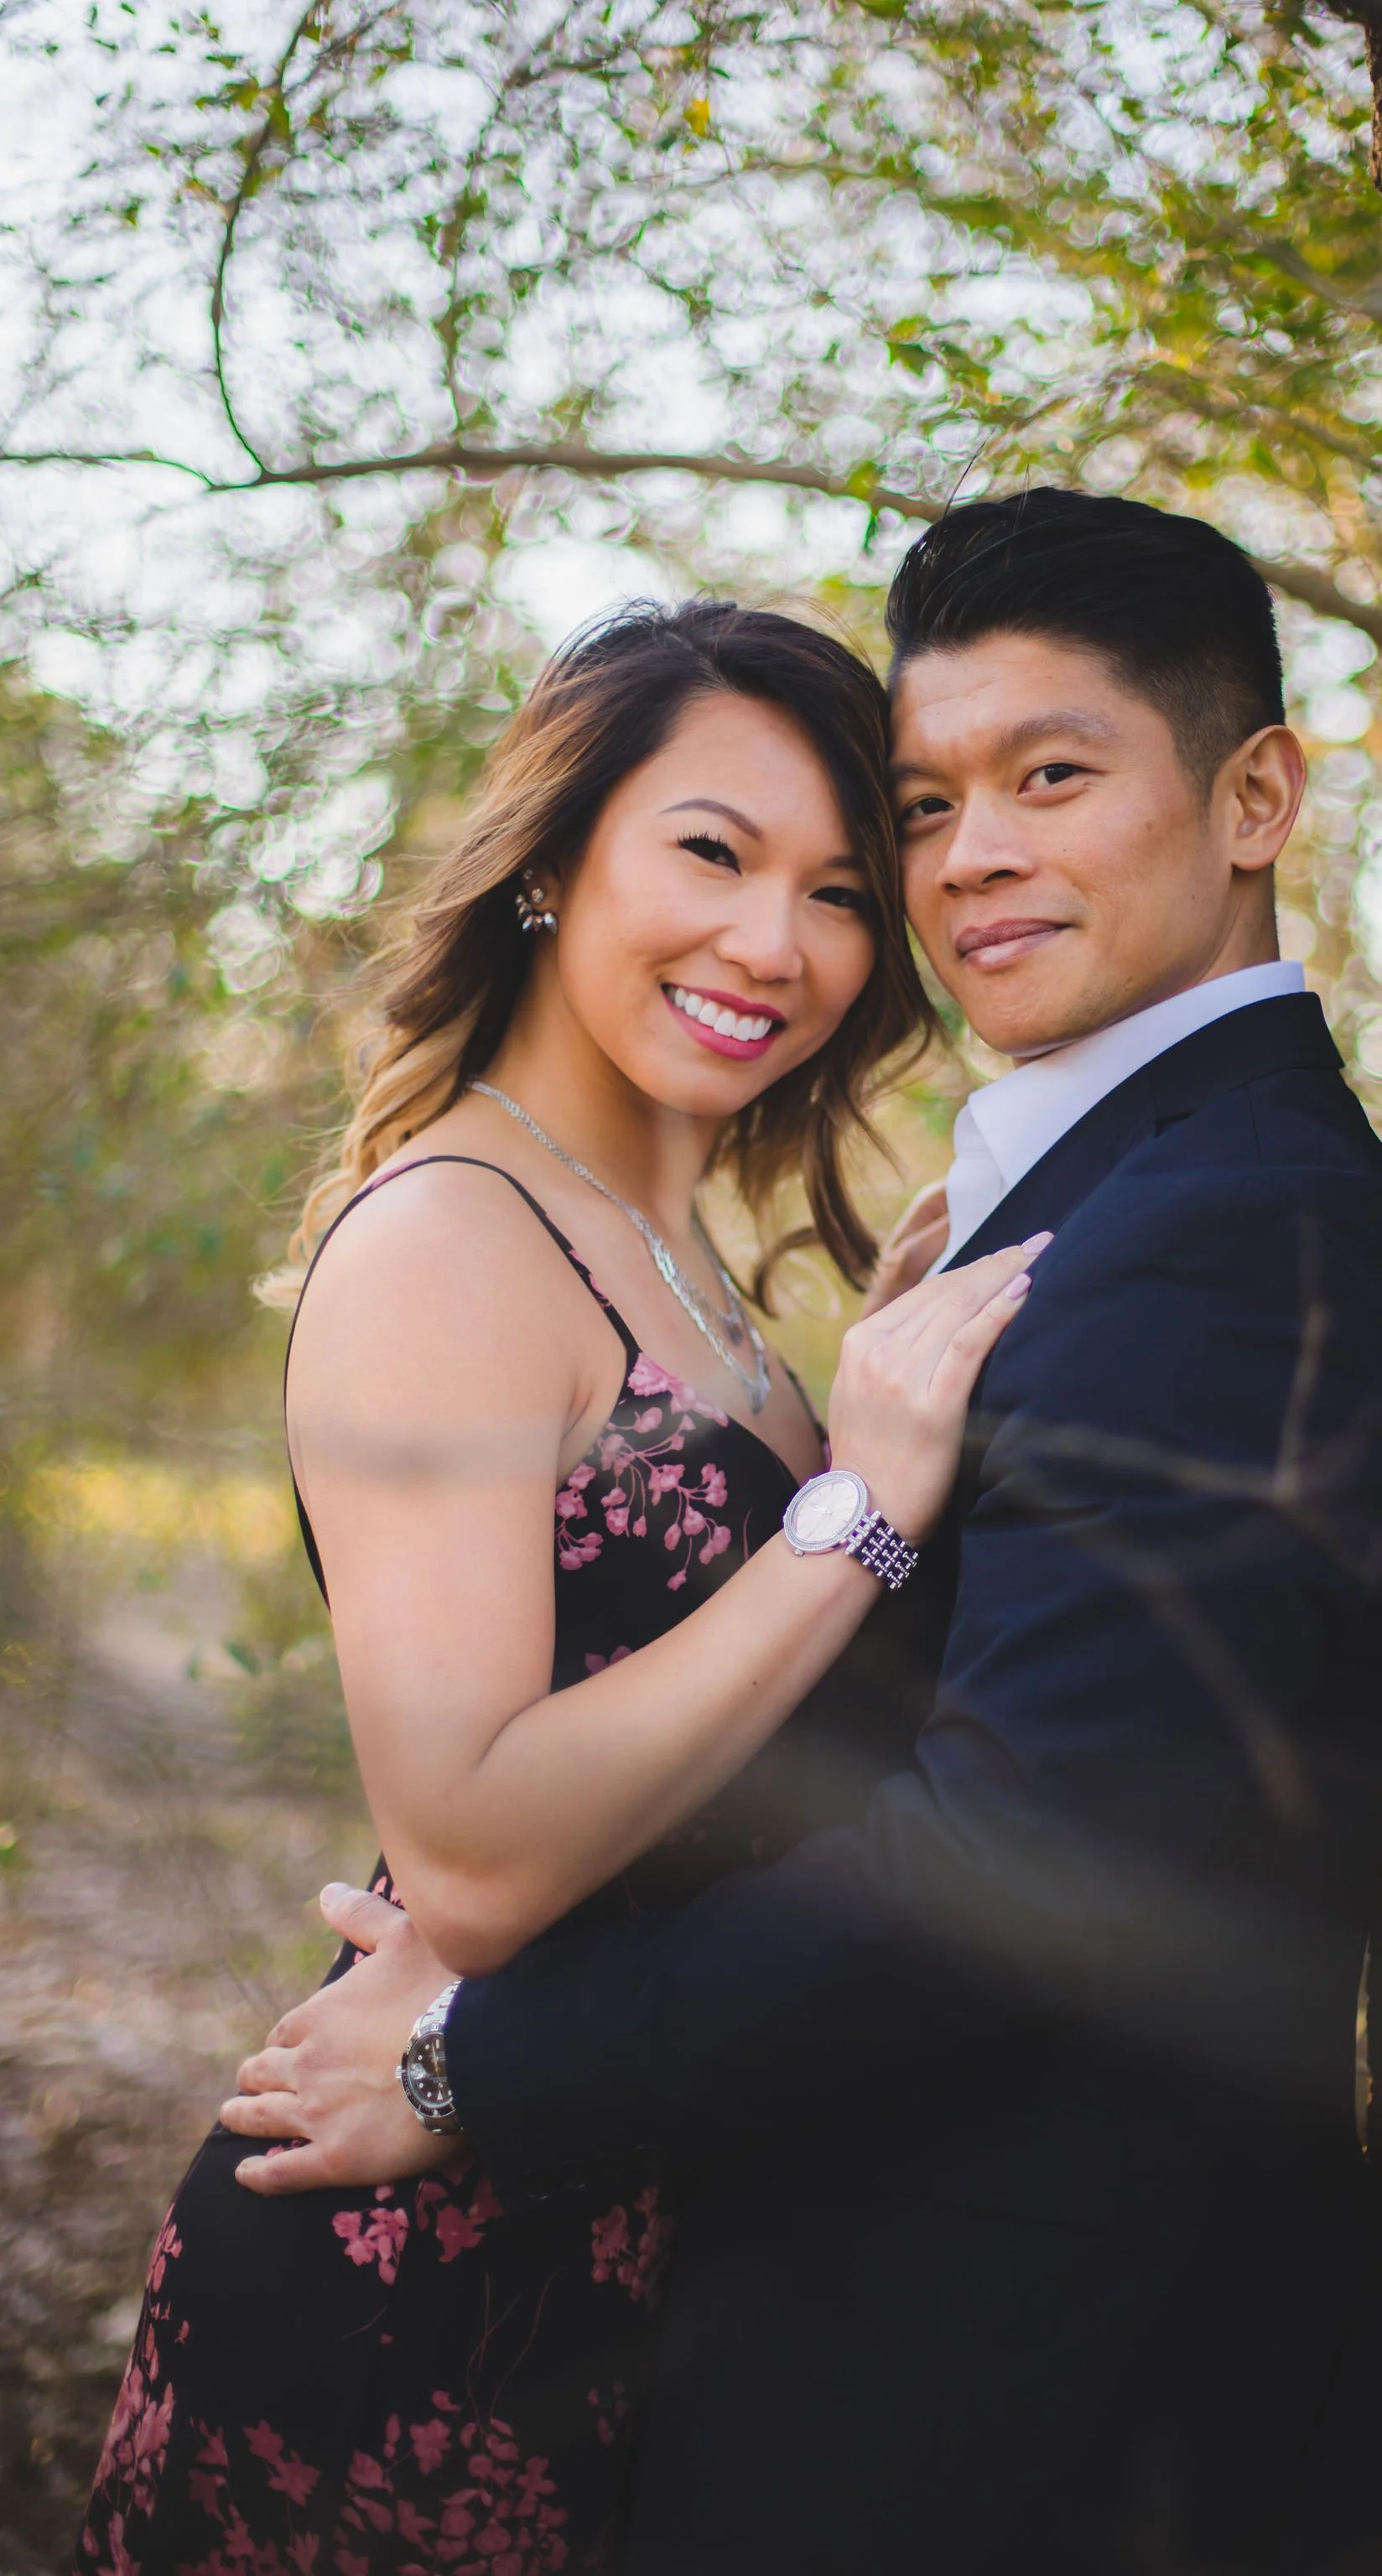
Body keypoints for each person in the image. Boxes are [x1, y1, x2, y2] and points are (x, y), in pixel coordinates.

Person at [217, 492, 1382, 2575]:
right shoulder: (1091, 1203)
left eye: (1049, 776)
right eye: (924, 803)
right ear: (552, 868)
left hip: (1011, 2371)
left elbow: (1024, 1864)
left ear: (1257, 796)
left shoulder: (1219, 1232)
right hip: (760, 2288)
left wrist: (474, 2070)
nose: (963, 855)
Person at [75, 599, 1050, 2576]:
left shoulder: (677, 1262)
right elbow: (480, 1859)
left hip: (617, 2216)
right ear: (548, 859)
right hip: (409, 2295)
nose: (773, 944)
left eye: (843, 891)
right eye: (711, 850)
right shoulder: (453, 1237)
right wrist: (857, 1506)